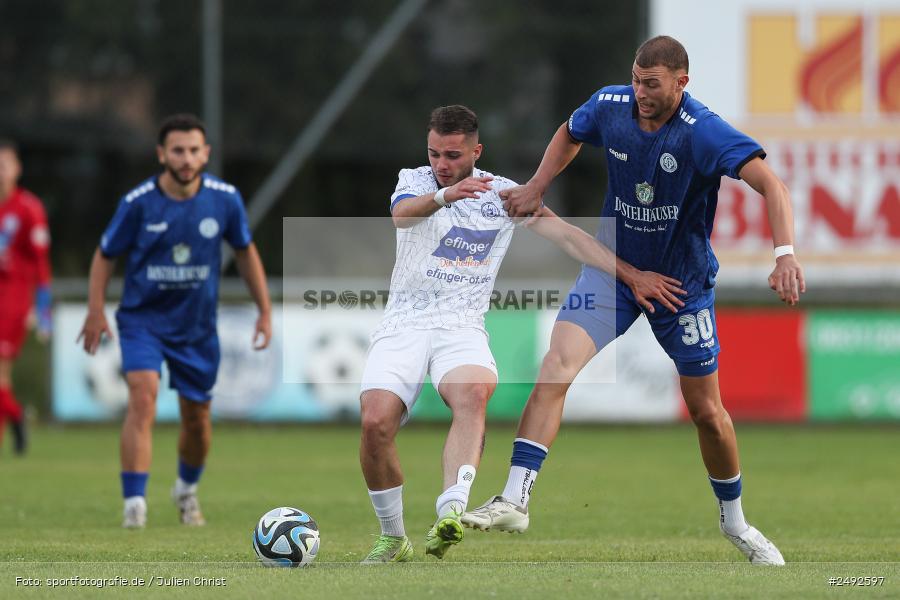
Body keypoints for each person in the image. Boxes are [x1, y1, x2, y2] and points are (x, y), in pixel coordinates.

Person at [461, 36, 805, 566]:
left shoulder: (703, 132)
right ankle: (515, 497)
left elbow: (773, 186)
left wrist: (784, 254)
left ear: (681, 83)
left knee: (707, 412)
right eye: (636, 79)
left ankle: (735, 522)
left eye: (652, 84)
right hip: (614, 275)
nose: (640, 92)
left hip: (680, 288)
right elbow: (571, 132)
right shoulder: (611, 105)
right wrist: (537, 184)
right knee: (556, 366)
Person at [358, 104, 685, 562]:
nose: (441, 165)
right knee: (375, 423)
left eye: (452, 155)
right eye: (434, 153)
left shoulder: (505, 195)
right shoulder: (416, 181)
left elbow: (570, 238)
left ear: (476, 150)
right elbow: (402, 217)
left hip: (461, 327)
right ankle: (393, 536)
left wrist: (632, 276)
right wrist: (445, 196)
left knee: (473, 393)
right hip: (403, 324)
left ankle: (450, 512)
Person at [78, 114, 272, 528]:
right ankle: (134, 505)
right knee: (142, 396)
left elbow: (245, 251)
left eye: (194, 150)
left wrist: (265, 310)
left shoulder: (225, 199)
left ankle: (185, 490)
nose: (186, 158)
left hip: (196, 328)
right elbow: (104, 255)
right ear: (162, 154)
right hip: (142, 321)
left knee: (197, 420)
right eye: (178, 150)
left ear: (206, 153)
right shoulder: (138, 203)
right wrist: (95, 309)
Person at [0, 139, 52, 455]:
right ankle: (16, 420)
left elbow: (42, 265)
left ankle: (17, 418)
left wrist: (43, 312)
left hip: (13, 301)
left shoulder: (29, 208)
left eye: (4, 164)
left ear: (17, 169)